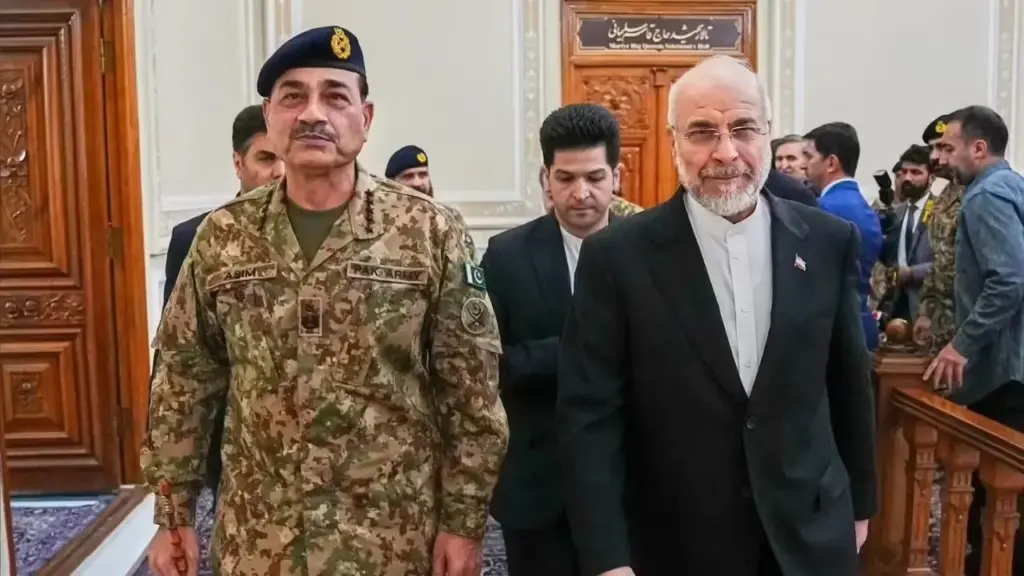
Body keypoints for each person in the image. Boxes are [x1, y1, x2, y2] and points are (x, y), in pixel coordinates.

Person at [142, 25, 508, 576]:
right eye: (293, 96)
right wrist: (174, 515)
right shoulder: (223, 237)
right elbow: (183, 379)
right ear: (269, 116)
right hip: (261, 538)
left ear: (366, 118)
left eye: (335, 96)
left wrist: (465, 522)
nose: (313, 113)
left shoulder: (428, 231)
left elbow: (470, 392)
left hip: (392, 538)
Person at [557, 55, 876, 576]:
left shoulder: (827, 241)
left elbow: (848, 383)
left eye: (743, 128)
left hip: (811, 534)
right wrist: (606, 557)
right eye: (703, 132)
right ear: (674, 143)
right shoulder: (617, 258)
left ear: (766, 134)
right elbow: (589, 417)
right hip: (677, 542)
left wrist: (860, 505)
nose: (726, 152)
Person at [483, 103, 633, 576]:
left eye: (594, 177)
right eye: (565, 178)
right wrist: (585, 348)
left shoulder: (648, 252)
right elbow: (489, 366)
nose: (580, 193)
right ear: (546, 179)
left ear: (617, 176)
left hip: (630, 485)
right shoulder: (506, 256)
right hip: (538, 487)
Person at [157, 104, 283, 500]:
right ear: (238, 163)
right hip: (231, 442)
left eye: (284, 157)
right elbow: (178, 358)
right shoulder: (198, 237)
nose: (279, 171)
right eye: (266, 158)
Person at [923, 105, 1024, 575]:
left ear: (979, 148)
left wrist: (961, 345)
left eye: (948, 147)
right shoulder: (1012, 184)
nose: (940, 158)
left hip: (1002, 371)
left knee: (997, 494)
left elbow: (1009, 280)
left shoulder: (985, 196)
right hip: (1011, 364)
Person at [802, 122, 883, 349]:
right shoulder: (863, 206)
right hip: (860, 320)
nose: (803, 164)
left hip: (834, 330)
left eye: (809, 156)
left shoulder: (825, 208)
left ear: (831, 163)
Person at [914, 114, 965, 353]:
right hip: (942, 323)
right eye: (932, 148)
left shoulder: (981, 192)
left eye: (943, 148)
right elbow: (939, 259)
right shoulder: (943, 193)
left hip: (968, 322)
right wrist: (926, 311)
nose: (935, 156)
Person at [384, 144, 478, 261]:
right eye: (408, 176)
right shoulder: (380, 221)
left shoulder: (450, 219)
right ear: (391, 183)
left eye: (423, 175)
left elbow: (469, 264)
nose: (417, 183)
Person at [876, 144, 936, 323]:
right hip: (894, 304)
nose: (907, 178)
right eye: (904, 172)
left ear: (931, 177)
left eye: (916, 172)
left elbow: (951, 263)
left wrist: (911, 273)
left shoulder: (942, 212)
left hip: (927, 307)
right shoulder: (897, 212)